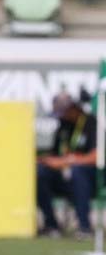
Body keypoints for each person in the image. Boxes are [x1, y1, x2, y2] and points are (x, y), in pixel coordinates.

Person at [36, 91, 97, 239]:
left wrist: (68, 161)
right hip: (65, 179)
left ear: (74, 109)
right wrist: (44, 160)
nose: (61, 116)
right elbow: (55, 155)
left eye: (63, 112)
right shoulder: (63, 126)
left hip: (89, 180)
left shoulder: (90, 123)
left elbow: (97, 156)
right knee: (40, 172)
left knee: (78, 172)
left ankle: (84, 227)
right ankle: (51, 225)